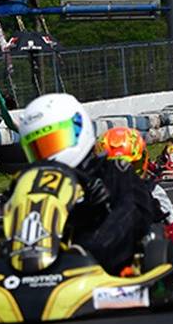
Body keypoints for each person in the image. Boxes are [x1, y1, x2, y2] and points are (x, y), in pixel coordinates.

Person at [10, 93, 156, 273]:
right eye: (38, 149)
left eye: (52, 143)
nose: (48, 155)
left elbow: (134, 211)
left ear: (79, 129)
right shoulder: (30, 182)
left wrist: (95, 205)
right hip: (47, 258)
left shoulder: (110, 171)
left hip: (98, 259)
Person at [95, 126, 173, 224]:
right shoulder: (93, 195)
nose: (122, 174)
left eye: (131, 166)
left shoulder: (153, 192)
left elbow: (169, 222)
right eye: (114, 168)